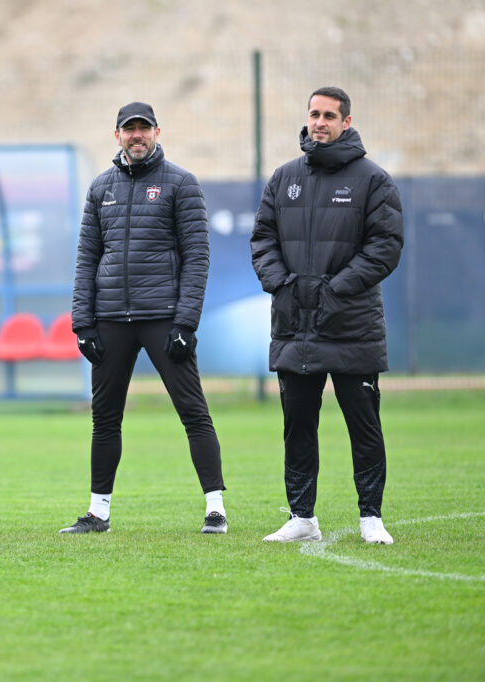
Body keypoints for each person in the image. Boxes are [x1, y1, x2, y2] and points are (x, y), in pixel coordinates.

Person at [63, 102, 227, 535]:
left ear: (157, 132)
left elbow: (197, 257)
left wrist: (185, 323)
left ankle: (216, 509)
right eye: (128, 129)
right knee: (105, 418)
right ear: (117, 135)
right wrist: (83, 323)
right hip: (110, 318)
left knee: (193, 412)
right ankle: (98, 513)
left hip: (163, 318)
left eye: (144, 128)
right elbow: (87, 258)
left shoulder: (182, 183)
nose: (136, 135)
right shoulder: (100, 187)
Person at [251, 86, 403, 544]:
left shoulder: (373, 181)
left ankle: (371, 518)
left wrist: (335, 290)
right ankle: (302, 518)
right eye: (314, 114)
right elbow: (263, 239)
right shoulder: (284, 177)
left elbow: (385, 247)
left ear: (346, 122)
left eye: (329, 116)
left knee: (364, 426)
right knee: (297, 426)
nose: (319, 122)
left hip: (352, 325)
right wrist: (282, 284)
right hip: (295, 326)